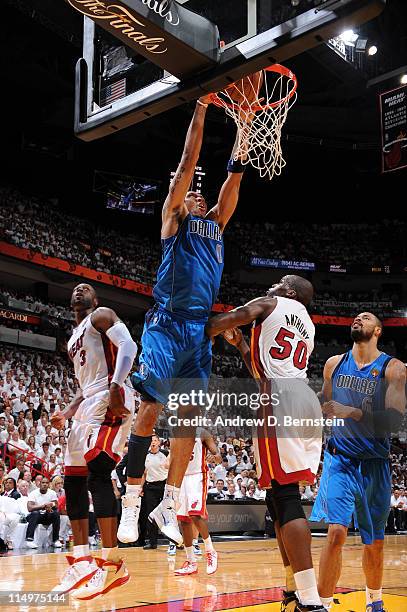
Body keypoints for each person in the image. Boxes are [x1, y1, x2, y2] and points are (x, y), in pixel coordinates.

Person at [118, 93, 247, 545]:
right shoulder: (174, 220)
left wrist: (246, 125)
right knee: (151, 408)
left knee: (189, 418)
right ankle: (132, 501)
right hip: (167, 323)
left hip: (198, 332)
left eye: (198, 192)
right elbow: (189, 158)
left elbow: (234, 175)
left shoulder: (216, 224)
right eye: (188, 188)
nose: (195, 192)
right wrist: (203, 106)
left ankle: (169, 502)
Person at [206, 275, 326, 612]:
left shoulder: (271, 303)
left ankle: (309, 598)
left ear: (289, 291)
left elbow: (227, 318)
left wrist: (198, 330)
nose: (270, 284)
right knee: (276, 495)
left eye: (279, 281)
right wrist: (243, 346)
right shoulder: (309, 326)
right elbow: (266, 369)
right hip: (302, 398)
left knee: (285, 496)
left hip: (280, 400)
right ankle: (293, 588)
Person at [310, 312, 406, 612]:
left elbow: (392, 422)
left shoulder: (393, 368)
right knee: (336, 532)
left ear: (377, 330)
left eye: (365, 318)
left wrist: (351, 412)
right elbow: (324, 402)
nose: (357, 319)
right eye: (355, 317)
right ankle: (322, 605)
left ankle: (374, 602)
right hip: (339, 460)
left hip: (374, 464)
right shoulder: (333, 364)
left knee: (374, 542)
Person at [50, 283, 137, 598]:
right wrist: (69, 410)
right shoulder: (73, 337)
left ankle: (113, 562)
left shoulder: (101, 315)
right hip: (87, 404)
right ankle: (83, 560)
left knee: (99, 471)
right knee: (73, 481)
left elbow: (128, 347)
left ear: (95, 299)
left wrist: (116, 386)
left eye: (84, 288)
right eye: (75, 289)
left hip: (110, 395)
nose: (78, 291)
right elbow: (83, 384)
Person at [175, 431, 220, 576]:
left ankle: (210, 551)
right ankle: (191, 562)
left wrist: (216, 457)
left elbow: (217, 455)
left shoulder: (202, 433)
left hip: (197, 476)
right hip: (181, 477)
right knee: (184, 521)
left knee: (195, 516)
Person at [139, 434, 169, 550]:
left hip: (164, 485)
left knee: (169, 513)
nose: (153, 442)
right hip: (150, 487)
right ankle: (152, 542)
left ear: (159, 443)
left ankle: (176, 542)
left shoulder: (165, 454)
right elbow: (144, 474)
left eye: (155, 440)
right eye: (151, 441)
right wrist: (141, 488)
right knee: (151, 515)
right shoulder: (145, 456)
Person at [25, 476, 61, 549]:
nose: (44, 484)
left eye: (46, 483)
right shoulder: (33, 493)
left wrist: (50, 506)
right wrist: (43, 506)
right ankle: (29, 540)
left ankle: (55, 540)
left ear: (49, 484)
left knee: (56, 513)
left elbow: (56, 505)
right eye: (43, 483)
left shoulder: (52, 493)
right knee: (35, 513)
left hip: (46, 515)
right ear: (39, 484)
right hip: (35, 517)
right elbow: (30, 508)